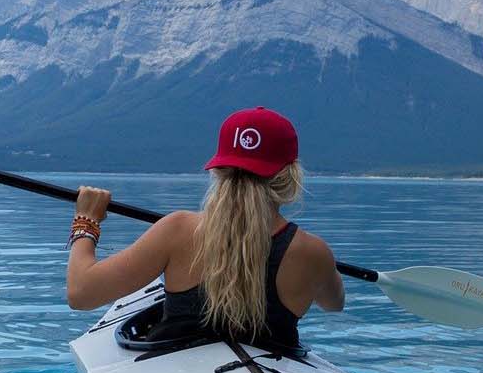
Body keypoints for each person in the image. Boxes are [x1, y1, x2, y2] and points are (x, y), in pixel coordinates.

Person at [64, 107, 343, 351]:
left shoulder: (178, 230)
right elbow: (334, 304)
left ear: (218, 170)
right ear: (290, 177)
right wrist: (321, 269)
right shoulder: (313, 252)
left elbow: (81, 293)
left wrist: (86, 222)